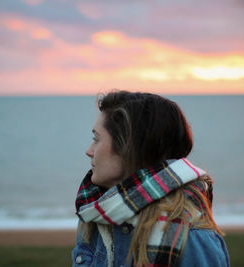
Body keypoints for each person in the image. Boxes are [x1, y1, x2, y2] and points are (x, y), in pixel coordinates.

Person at [72, 90, 230, 267]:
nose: (89, 151)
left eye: (97, 139)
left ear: (128, 148)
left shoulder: (190, 238)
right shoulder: (96, 215)